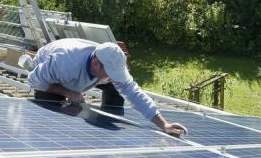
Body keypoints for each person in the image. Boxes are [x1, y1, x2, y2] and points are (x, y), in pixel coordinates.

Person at [26, 38, 188, 137]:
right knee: (52, 109)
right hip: (49, 73)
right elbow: (34, 81)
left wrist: (164, 124)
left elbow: (134, 92)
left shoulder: (107, 59)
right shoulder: (65, 63)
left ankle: (105, 124)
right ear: (96, 64)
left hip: (79, 71)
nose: (113, 76)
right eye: (110, 73)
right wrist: (68, 92)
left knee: (114, 88)